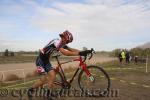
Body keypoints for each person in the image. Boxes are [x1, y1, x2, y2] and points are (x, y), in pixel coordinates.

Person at [27, 30, 91, 99]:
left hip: (46, 61)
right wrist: (80, 54)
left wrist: (85, 52)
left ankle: (48, 95)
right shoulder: (56, 42)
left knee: (53, 75)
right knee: (43, 80)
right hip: (40, 60)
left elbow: (71, 49)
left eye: (68, 42)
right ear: (63, 37)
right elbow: (66, 53)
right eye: (67, 41)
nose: (67, 43)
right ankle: (31, 90)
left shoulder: (62, 43)